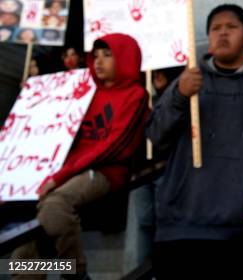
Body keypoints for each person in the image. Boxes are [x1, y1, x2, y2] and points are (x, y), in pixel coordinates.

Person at [146, 4, 243, 279]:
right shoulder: (189, 80)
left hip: (241, 229)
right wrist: (179, 96)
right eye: (215, 28)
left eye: (231, 27)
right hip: (181, 226)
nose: (222, 34)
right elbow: (155, 136)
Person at [12, 33, 149, 279]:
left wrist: (60, 176)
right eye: (95, 55)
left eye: (108, 55)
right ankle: (42, 272)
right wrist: (35, 96)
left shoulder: (135, 95)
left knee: (55, 206)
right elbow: (50, 124)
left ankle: (76, 272)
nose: (98, 61)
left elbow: (114, 145)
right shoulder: (84, 88)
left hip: (104, 170)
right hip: (63, 169)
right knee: (21, 246)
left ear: (126, 58)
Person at [123, 67, 183, 275]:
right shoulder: (134, 91)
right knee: (140, 229)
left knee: (167, 229)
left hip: (168, 170)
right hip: (140, 171)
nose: (156, 74)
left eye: (162, 71)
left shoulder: (181, 89)